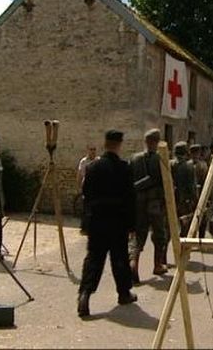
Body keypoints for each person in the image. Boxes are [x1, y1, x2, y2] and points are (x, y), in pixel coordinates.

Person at [77, 130, 137, 317]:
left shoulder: (93, 167)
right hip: (117, 221)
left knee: (94, 258)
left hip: (97, 220)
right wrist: (132, 225)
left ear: (105, 143)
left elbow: (86, 193)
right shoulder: (124, 168)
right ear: (119, 144)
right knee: (119, 258)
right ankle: (124, 293)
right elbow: (130, 199)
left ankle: (84, 295)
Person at [129, 129, 168, 284]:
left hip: (138, 202)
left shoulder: (134, 158)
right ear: (157, 142)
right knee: (159, 235)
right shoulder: (161, 158)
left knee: (138, 235)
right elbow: (164, 182)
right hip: (154, 203)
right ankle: (157, 265)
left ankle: (133, 265)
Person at [170, 141, 197, 237]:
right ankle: (182, 241)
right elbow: (191, 185)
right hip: (184, 199)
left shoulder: (169, 163)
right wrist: (195, 199)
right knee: (185, 222)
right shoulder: (189, 166)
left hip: (170, 198)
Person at [76, 144, 99, 234]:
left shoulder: (98, 161)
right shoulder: (84, 161)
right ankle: (84, 228)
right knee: (86, 208)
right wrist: (79, 187)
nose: (93, 151)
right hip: (87, 186)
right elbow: (79, 174)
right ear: (88, 150)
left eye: (94, 149)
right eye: (91, 149)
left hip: (96, 187)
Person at [190, 144, 209, 238]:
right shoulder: (203, 165)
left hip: (189, 196)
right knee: (202, 219)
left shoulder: (187, 164)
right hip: (200, 194)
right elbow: (207, 181)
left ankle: (189, 238)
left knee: (189, 218)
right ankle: (201, 239)